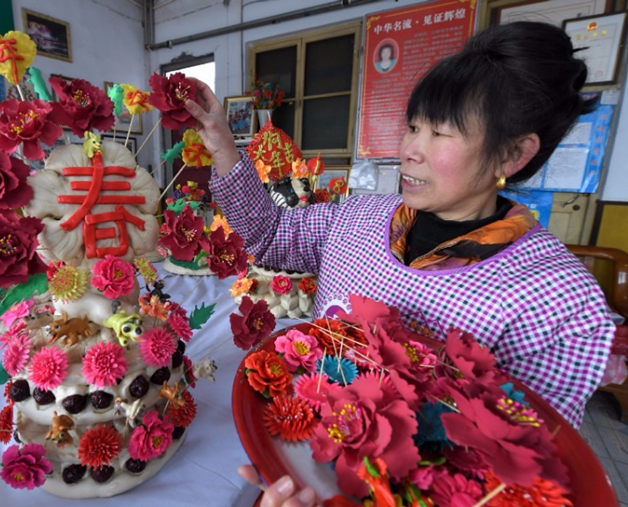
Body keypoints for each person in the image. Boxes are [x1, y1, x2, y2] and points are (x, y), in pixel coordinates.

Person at [185, 21, 615, 506]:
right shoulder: (360, 216)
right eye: (413, 126)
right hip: (311, 455)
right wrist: (221, 140)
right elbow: (269, 232)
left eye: (440, 133)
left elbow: (526, 478)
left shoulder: (557, 299)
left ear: (514, 153)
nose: (409, 149)